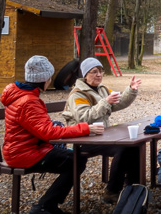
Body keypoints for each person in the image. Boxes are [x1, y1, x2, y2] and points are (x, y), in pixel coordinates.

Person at [1, 56, 103, 214]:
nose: (50, 81)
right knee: (76, 161)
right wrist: (85, 128)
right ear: (44, 80)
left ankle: (50, 205)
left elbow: (39, 128)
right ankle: (43, 207)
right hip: (25, 154)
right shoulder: (29, 101)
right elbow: (48, 132)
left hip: (23, 149)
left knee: (73, 158)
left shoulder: (22, 95)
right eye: (49, 77)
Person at [60, 58, 143, 202]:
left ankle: (133, 187)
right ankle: (112, 192)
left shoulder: (102, 89)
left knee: (134, 144)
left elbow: (118, 102)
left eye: (101, 71)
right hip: (84, 137)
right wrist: (105, 102)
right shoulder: (78, 94)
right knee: (123, 148)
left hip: (101, 135)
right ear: (85, 75)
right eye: (94, 72)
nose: (99, 75)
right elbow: (84, 117)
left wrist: (131, 90)